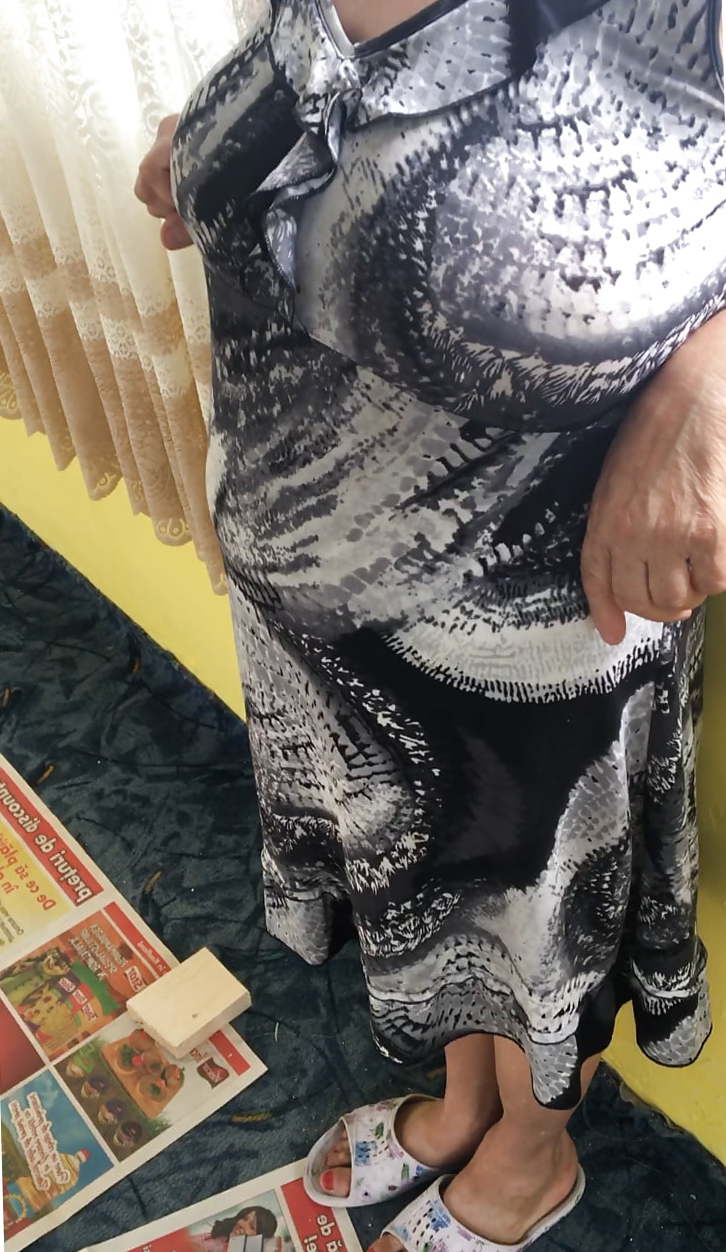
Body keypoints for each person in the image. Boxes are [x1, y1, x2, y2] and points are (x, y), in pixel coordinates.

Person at [136, 1, 726, 1249]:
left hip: (537, 640)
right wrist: (230, 154)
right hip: (323, 620)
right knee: (427, 893)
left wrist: (715, 367)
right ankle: (466, 1102)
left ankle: (531, 1155)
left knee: (528, 906)